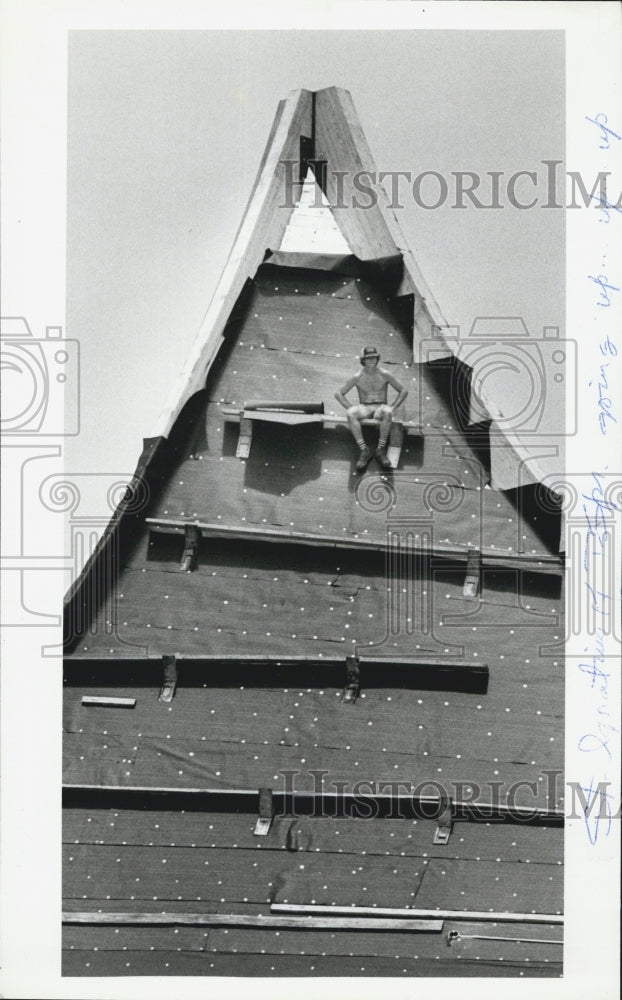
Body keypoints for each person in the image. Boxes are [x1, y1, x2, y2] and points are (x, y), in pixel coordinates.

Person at [335, 346, 408, 470]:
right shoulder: (357, 376)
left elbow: (403, 390)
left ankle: (380, 449)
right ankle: (364, 450)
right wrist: (350, 407)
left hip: (380, 407)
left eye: (374, 357)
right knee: (351, 413)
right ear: (363, 360)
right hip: (365, 407)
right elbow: (338, 394)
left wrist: (393, 407)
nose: (372, 360)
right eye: (368, 358)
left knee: (388, 411)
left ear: (377, 358)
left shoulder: (384, 374)